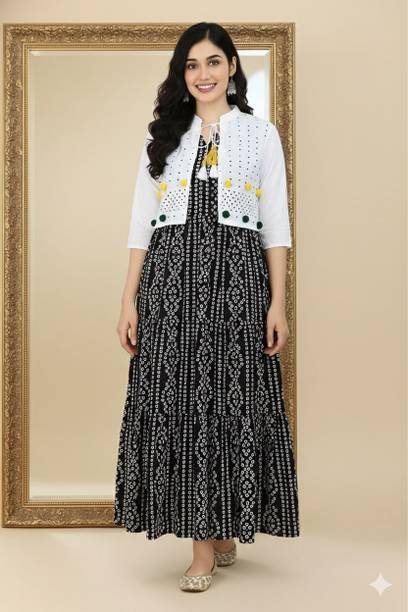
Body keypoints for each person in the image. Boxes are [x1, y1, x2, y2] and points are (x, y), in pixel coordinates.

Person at [114, 21, 300, 592]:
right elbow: (141, 224)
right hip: (170, 284)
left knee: (230, 398)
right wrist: (128, 299)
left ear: (232, 67)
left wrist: (278, 303)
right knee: (185, 401)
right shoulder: (163, 139)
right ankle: (201, 545)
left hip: (237, 283)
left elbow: (275, 225)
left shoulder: (260, 134)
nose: (203, 74)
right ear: (182, 73)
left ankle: (221, 526)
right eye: (191, 65)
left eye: (213, 61)